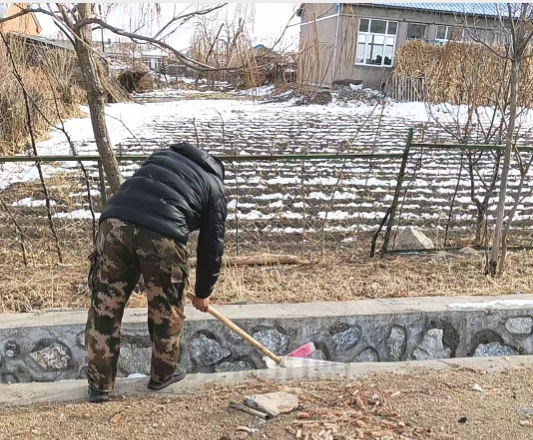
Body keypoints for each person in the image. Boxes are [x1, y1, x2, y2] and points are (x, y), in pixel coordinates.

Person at [85, 142, 227, 403]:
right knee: (166, 307)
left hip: (114, 222)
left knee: (105, 305)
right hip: (163, 233)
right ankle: (163, 375)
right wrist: (203, 292)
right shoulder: (215, 187)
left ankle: (99, 385)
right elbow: (212, 246)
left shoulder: (161, 156)